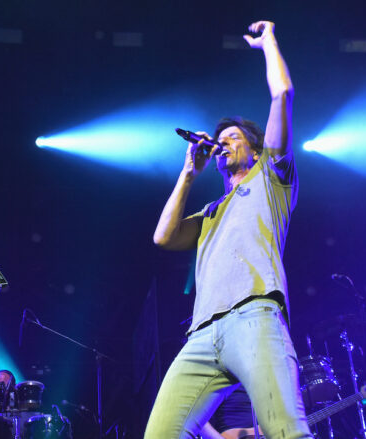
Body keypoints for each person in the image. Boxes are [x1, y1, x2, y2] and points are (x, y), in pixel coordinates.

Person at [146, 21, 310, 439]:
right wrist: (188, 172)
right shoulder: (209, 212)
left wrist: (269, 42)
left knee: (285, 431)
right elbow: (163, 237)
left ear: (255, 149)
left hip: (255, 315)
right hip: (201, 333)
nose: (224, 142)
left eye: (234, 137)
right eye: (221, 138)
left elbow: (282, 94)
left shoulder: (271, 176)